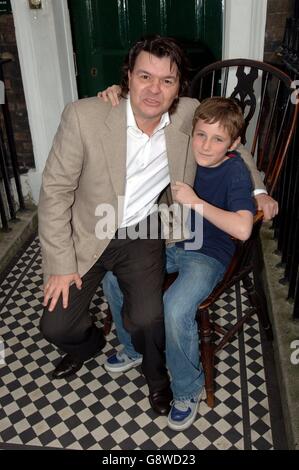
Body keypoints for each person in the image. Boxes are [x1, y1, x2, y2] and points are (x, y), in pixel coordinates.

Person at [38, 34, 276, 417]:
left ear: (179, 86)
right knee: (56, 326)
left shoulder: (188, 114)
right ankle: (92, 345)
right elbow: (54, 192)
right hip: (89, 232)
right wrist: (61, 265)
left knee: (149, 315)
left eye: (167, 81)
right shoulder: (85, 115)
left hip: (144, 229)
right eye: (144, 76)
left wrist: (260, 188)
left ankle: (160, 381)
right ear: (127, 77)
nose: (154, 89)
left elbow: (233, 143)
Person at [102, 96, 256, 431]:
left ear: (234, 143)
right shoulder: (182, 154)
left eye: (218, 139)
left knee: (174, 307)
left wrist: (196, 202)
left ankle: (188, 389)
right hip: (172, 240)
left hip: (209, 254)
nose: (206, 145)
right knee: (114, 279)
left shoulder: (234, 172)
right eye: (201, 134)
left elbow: (244, 229)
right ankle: (133, 348)